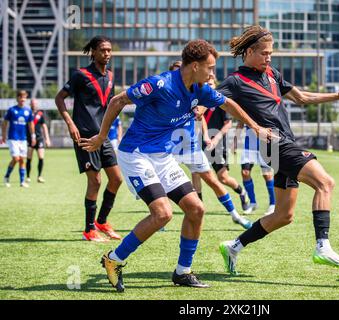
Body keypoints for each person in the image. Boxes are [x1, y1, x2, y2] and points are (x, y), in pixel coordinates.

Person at [79, 39, 273, 291]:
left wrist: (256, 127)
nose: (213, 74)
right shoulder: (159, 84)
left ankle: (183, 271)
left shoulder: (201, 89)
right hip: (136, 154)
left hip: (163, 157)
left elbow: (228, 104)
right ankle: (113, 259)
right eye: (210, 68)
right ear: (194, 66)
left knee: (196, 209)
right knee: (162, 214)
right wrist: (102, 137)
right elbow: (117, 101)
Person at [217, 25, 339, 275]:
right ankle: (322, 246)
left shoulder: (273, 74)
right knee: (325, 183)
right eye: (264, 53)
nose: (269, 57)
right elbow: (218, 101)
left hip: (284, 144)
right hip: (275, 145)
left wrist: (337, 96)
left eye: (271, 53)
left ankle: (234, 246)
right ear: (250, 51)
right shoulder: (235, 81)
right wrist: (253, 126)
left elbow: (302, 98)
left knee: (284, 215)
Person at [55, 36, 122, 242]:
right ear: (93, 52)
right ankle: (89, 229)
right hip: (84, 135)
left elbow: (108, 106)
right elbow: (59, 98)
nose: (107, 54)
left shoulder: (110, 76)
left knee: (117, 179)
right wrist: (70, 123)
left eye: (109, 50)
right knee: (95, 181)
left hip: (103, 137)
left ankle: (102, 221)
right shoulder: (80, 75)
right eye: (103, 50)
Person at [172, 75, 252, 230]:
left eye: (210, 82)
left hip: (213, 144)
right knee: (188, 177)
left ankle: (240, 197)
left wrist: (211, 138)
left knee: (220, 178)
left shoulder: (213, 98)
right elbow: (198, 116)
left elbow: (225, 123)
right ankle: (196, 207)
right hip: (182, 145)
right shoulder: (180, 95)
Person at [234, 120, 275, 216]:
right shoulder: (245, 106)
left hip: (265, 145)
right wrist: (235, 142)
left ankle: (273, 204)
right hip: (249, 147)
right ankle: (253, 203)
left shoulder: (265, 105)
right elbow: (240, 124)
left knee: (267, 175)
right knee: (245, 173)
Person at [2, 90, 36, 188]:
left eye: (24, 97)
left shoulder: (28, 111)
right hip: (13, 138)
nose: (22, 99)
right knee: (16, 158)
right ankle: (7, 176)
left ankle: (22, 182)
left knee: (22, 160)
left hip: (23, 139)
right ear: (17, 98)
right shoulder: (11, 110)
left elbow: (31, 124)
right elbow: (4, 123)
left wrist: (33, 136)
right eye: (20, 97)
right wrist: (4, 135)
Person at [26, 99, 52, 183]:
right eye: (32, 103)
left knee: (41, 157)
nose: (34, 105)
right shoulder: (27, 113)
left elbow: (44, 127)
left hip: (39, 138)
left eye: (35, 103)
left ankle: (39, 176)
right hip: (29, 139)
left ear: (37, 104)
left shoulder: (40, 114)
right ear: (30, 104)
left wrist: (47, 139)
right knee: (29, 158)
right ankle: (28, 177)